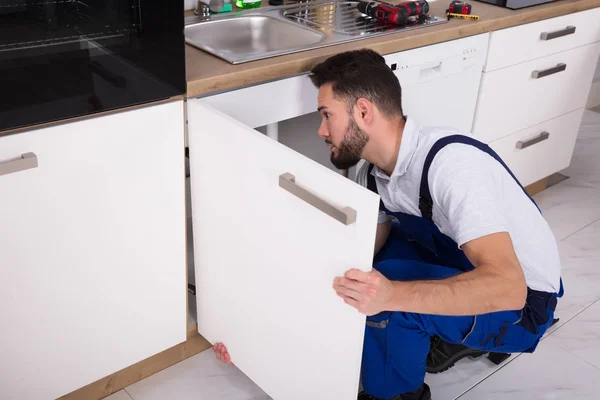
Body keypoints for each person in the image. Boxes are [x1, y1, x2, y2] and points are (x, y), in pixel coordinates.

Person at [214, 49, 564, 400]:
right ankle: (433, 329)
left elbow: (508, 287)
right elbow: (348, 260)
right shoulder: (373, 173)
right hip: (460, 261)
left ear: (363, 111)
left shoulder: (452, 168)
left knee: (387, 298)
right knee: (365, 272)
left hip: (524, 303)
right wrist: (254, 337)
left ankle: (397, 395)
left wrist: (392, 295)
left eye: (326, 115)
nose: (321, 130)